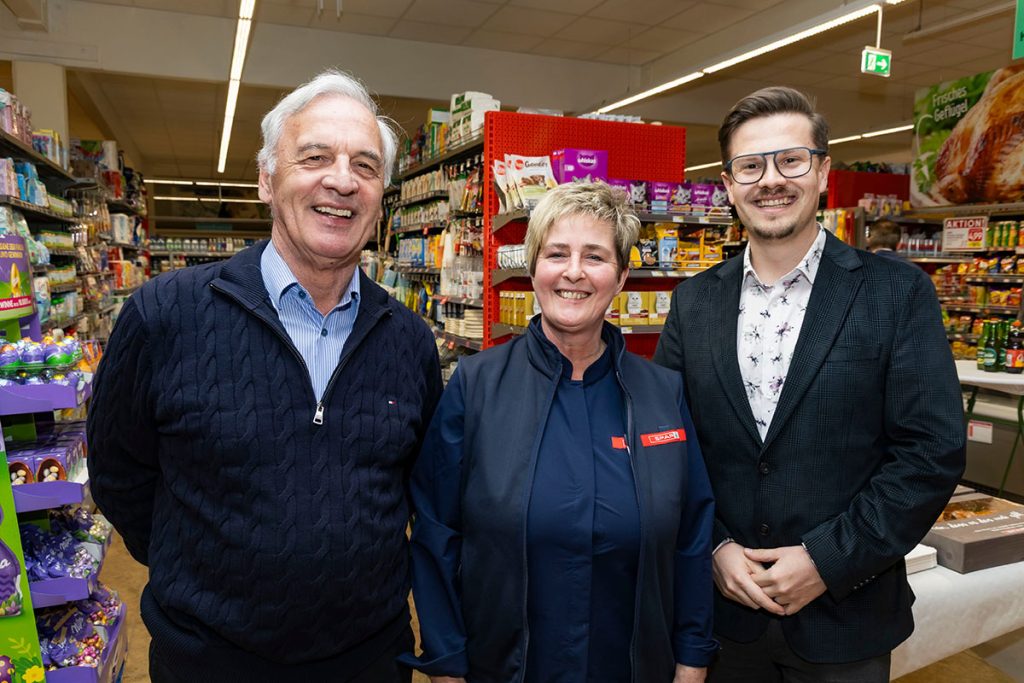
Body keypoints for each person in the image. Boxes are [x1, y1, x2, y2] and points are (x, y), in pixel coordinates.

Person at [87, 70, 443, 683]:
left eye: (364, 165)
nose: (342, 181)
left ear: (381, 194)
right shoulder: (163, 315)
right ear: (266, 179)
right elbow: (120, 475)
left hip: (369, 662)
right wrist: (199, 571)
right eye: (315, 157)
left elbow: (421, 491)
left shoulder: (408, 339)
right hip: (208, 664)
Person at [653, 87, 965, 682]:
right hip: (723, 616)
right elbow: (667, 442)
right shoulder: (693, 303)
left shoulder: (896, 293)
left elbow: (931, 452)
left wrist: (826, 559)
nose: (771, 180)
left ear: (822, 172)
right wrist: (714, 546)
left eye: (791, 160)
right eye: (751, 166)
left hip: (846, 620)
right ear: (728, 185)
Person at [403, 182, 717, 683]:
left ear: (621, 277)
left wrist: (693, 657)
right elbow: (436, 531)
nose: (574, 272)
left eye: (595, 256)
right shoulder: (477, 386)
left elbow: (692, 538)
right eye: (556, 254)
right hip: (506, 668)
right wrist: (445, 664)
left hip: (633, 668)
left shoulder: (662, 394)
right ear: (533, 269)